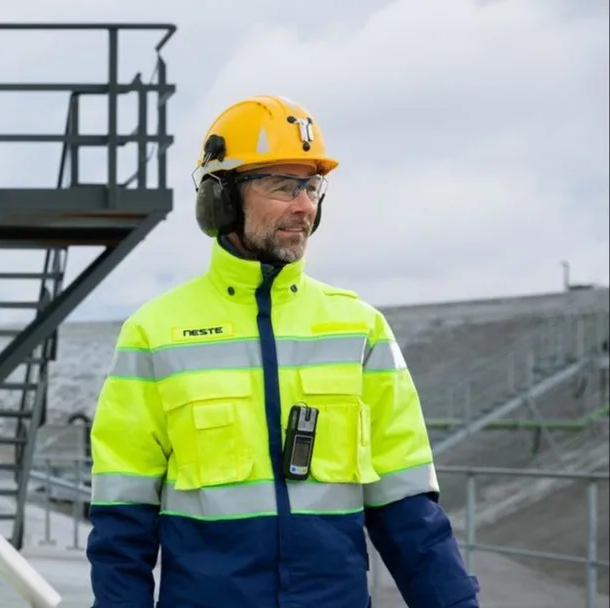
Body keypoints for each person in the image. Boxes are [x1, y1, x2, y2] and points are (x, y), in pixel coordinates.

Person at [85, 95, 480, 608]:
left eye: (312, 187)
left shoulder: (360, 330)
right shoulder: (153, 334)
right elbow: (122, 524)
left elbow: (409, 511)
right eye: (282, 186)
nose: (305, 207)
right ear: (221, 198)